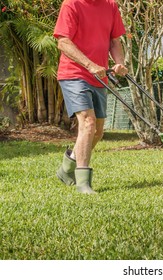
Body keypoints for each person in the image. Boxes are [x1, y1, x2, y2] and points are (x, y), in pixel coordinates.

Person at [54, 0, 128, 194]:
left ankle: (66, 167)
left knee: (98, 131)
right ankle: (82, 182)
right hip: (74, 74)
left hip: (99, 75)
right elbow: (63, 41)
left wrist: (119, 62)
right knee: (88, 123)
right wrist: (89, 65)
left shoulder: (110, 5)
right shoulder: (72, 4)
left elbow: (114, 41)